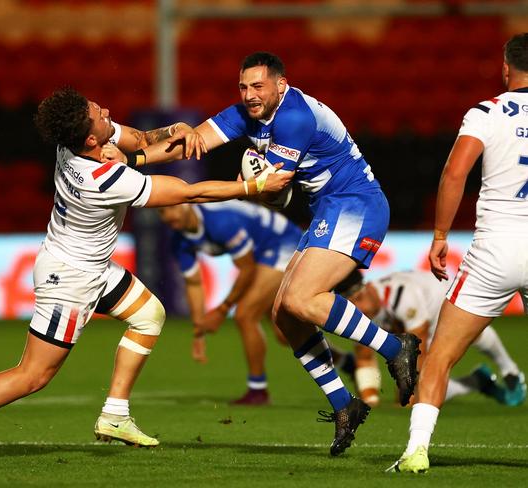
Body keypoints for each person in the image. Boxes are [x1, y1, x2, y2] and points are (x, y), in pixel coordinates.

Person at [0, 87, 291, 461]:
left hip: (91, 266)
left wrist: (175, 130)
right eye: (101, 114)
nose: (108, 110)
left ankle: (114, 414)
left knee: (148, 315)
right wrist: (252, 186)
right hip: (70, 279)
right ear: (92, 138)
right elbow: (186, 193)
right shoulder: (103, 180)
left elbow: (142, 138)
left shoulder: (72, 144)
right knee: (34, 375)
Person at [106, 52, 422, 456]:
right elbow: (193, 141)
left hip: (355, 204)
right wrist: (132, 160)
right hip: (326, 210)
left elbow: (273, 192)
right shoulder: (247, 114)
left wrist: (255, 185)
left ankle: (397, 348)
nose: (250, 95)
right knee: (284, 316)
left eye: (258, 86)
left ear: (281, 85)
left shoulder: (294, 118)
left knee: (301, 299)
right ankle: (345, 405)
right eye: (243, 86)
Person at [388, 33, 528, 474]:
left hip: (495, 250)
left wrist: (440, 235)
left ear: (505, 69)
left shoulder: (487, 112)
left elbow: (455, 173)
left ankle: (416, 452)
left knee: (441, 355)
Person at [158, 201, 356, 405]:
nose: (168, 215)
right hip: (263, 252)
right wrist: (199, 331)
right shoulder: (179, 240)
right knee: (285, 333)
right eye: (162, 211)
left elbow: (247, 268)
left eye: (172, 208)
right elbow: (194, 284)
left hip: (284, 243)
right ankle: (347, 362)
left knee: (245, 314)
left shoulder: (219, 221)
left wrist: (223, 309)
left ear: (188, 205)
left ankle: (257, 389)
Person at [335, 269, 525, 407]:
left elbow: (417, 351)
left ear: (368, 288)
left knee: (473, 339)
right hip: (420, 318)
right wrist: (370, 400)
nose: (358, 308)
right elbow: (364, 355)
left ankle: (511, 371)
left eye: (358, 299)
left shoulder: (402, 297)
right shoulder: (360, 311)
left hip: (443, 302)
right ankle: (476, 382)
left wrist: (406, 393)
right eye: (351, 303)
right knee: (425, 393)